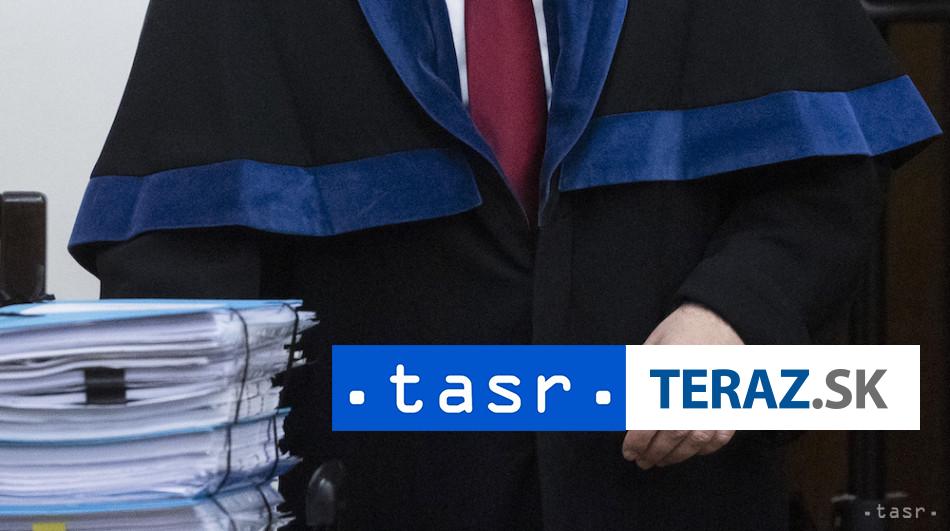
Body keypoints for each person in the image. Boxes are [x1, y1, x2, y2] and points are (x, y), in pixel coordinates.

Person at [69, 1, 940, 529]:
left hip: (673, 496)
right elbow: (179, 262)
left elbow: (826, 178)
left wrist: (735, 312)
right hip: (380, 493)